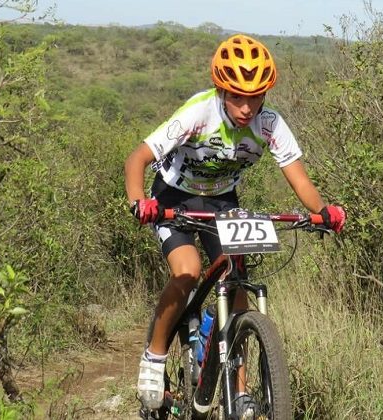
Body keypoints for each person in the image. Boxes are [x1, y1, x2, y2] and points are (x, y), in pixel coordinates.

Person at [124, 34, 346, 412]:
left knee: (237, 279)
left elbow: (299, 179)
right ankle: (155, 356)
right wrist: (138, 202)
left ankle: (239, 389)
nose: (246, 107)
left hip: (223, 201)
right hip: (173, 197)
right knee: (188, 271)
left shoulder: (271, 125)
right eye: (237, 96)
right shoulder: (198, 112)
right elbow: (138, 158)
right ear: (221, 90)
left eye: (255, 97)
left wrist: (323, 212)